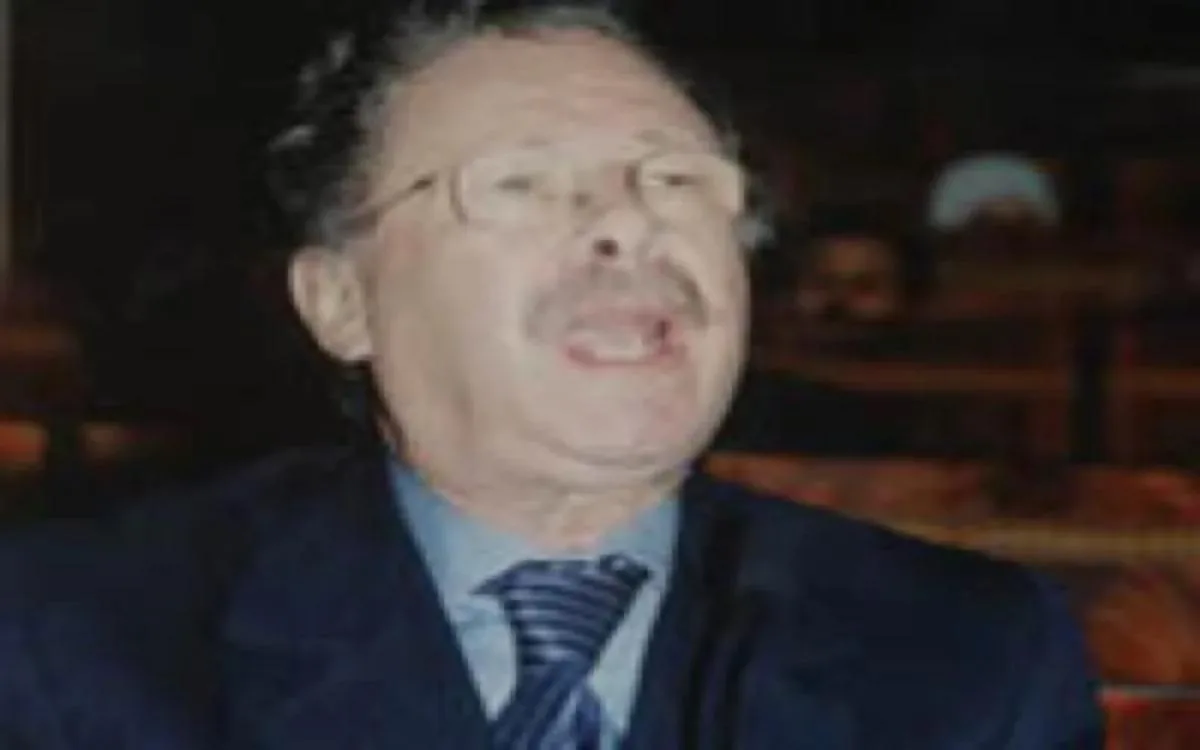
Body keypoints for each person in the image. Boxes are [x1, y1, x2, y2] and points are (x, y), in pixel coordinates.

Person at [0, 2, 1103, 748]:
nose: (630, 221)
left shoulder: (969, 653)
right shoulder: (72, 639)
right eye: (519, 184)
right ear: (341, 301)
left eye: (676, 179)